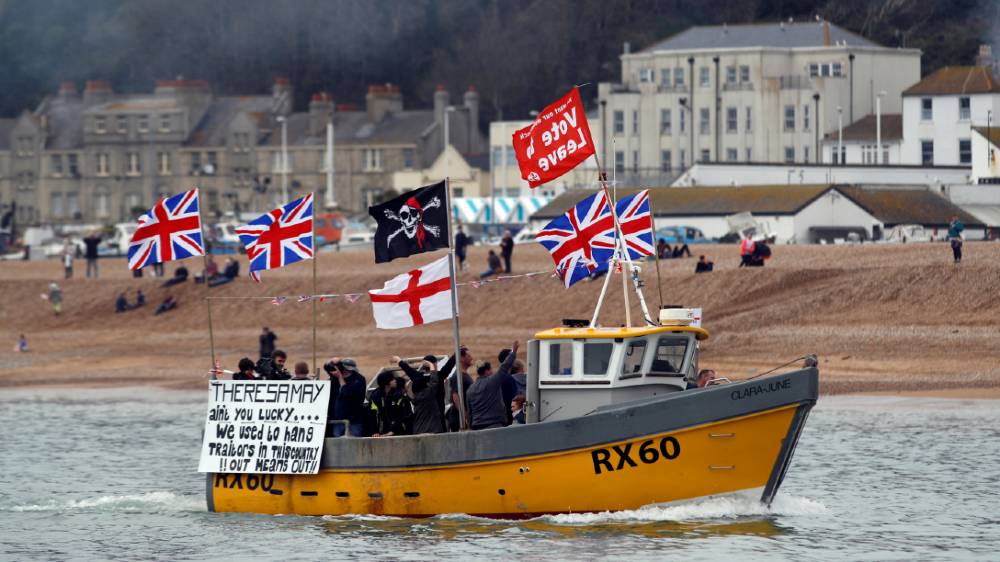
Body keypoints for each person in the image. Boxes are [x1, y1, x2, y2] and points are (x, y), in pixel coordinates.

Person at [466, 340, 519, 430]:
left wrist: (471, 427)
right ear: (487, 371)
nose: (493, 372)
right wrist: (513, 352)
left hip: (477, 427)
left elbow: (469, 412)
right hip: (494, 425)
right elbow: (504, 367)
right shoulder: (492, 381)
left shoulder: (470, 389)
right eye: (491, 370)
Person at [395, 354, 452, 434]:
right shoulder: (438, 377)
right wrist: (456, 355)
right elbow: (449, 365)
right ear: (434, 364)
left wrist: (399, 361)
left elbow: (408, 369)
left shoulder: (417, 377)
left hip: (419, 424)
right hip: (437, 421)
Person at [329, 358, 367, 437]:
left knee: (353, 444)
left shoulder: (359, 380)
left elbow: (347, 393)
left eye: (348, 369)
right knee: (337, 446)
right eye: (344, 368)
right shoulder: (334, 379)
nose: (346, 371)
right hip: (338, 421)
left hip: (354, 421)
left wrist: (340, 378)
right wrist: (331, 362)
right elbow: (327, 368)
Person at [367, 370, 412, 437]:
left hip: (399, 431)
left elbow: (400, 415)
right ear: (386, 383)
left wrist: (393, 431)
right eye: (393, 379)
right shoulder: (375, 396)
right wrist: (375, 431)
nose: (395, 381)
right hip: (383, 431)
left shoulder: (398, 394)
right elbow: (373, 414)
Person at [447, 346, 475, 432]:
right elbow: (456, 397)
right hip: (459, 419)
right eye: (468, 356)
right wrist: (464, 417)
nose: (471, 358)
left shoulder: (463, 375)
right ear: (461, 358)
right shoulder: (458, 376)